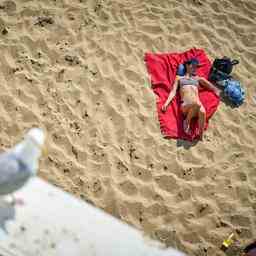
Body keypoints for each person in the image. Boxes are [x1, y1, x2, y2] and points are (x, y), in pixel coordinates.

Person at [161, 58, 220, 139]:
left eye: (196, 67)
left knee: (202, 112)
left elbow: (212, 87)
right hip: (185, 106)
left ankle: (201, 135)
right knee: (198, 105)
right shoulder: (179, 78)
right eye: (194, 66)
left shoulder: (198, 79)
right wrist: (166, 103)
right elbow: (173, 91)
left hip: (197, 106)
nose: (195, 68)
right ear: (187, 65)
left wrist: (216, 90)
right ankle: (187, 121)